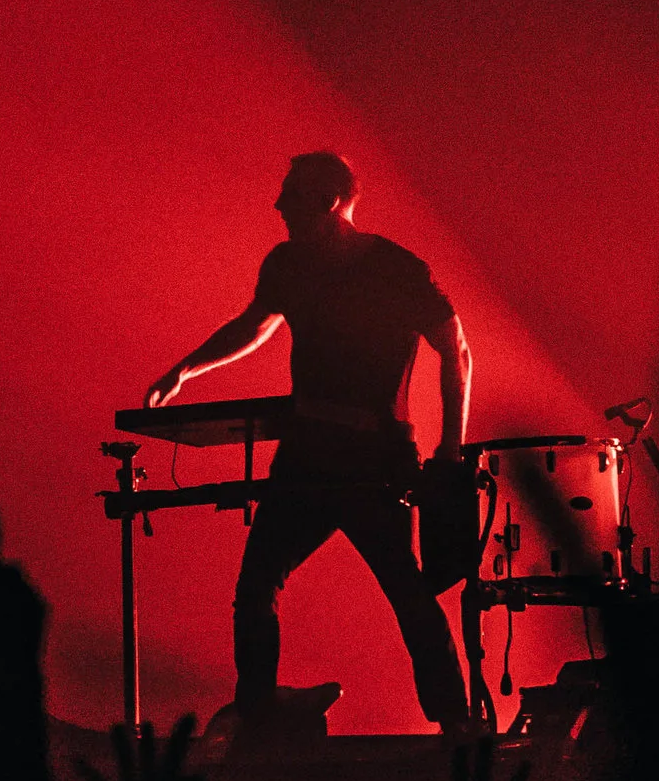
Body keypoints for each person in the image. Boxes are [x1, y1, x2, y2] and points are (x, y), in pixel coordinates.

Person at [145, 153, 473, 739]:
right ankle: (259, 714)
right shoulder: (288, 265)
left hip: (374, 459)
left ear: (329, 200)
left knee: (407, 592)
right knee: (257, 587)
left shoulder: (397, 270)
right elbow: (255, 323)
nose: (278, 207)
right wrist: (185, 370)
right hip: (305, 454)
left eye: (290, 195)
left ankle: (457, 724)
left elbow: (458, 351)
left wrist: (451, 450)